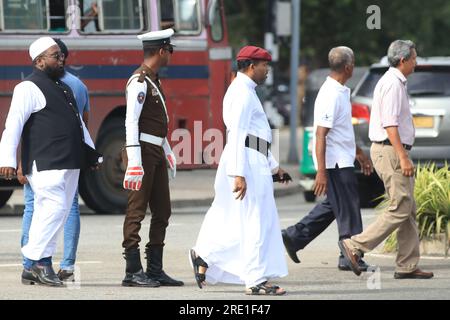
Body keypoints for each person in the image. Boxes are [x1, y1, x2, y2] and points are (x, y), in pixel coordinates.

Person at [190, 46, 289, 296]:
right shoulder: (243, 93)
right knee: (257, 221)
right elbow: (238, 135)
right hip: (245, 163)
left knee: (234, 219)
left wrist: (274, 166)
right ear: (252, 66)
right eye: (265, 65)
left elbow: (255, 137)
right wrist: (239, 174)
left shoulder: (245, 90)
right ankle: (255, 280)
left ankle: (205, 255)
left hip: (251, 160)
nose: (268, 70)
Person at [0, 37, 95, 286]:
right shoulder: (27, 88)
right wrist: (7, 159)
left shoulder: (64, 87)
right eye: (55, 55)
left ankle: (40, 265)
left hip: (70, 160)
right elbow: (13, 126)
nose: (61, 58)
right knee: (52, 209)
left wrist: (92, 153)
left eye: (61, 55)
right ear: (39, 61)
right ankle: (33, 259)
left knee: (58, 212)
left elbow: (79, 124)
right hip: (45, 161)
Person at [339, 40, 434, 279]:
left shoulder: (396, 82)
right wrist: (403, 157)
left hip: (392, 149)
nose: (416, 62)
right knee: (400, 207)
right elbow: (390, 124)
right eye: (414, 58)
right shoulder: (392, 84)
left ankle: (407, 265)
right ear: (403, 61)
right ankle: (355, 245)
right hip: (390, 150)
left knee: (408, 208)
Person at [281, 47, 372, 272]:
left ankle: (295, 236)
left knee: (335, 205)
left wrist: (359, 153)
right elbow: (321, 134)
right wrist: (321, 171)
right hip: (335, 162)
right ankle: (351, 254)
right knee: (348, 206)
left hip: (342, 158)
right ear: (348, 67)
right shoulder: (330, 94)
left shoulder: (340, 90)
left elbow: (342, 130)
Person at [121, 28, 183, 287]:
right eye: (169, 50)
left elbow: (156, 122)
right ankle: (133, 270)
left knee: (162, 210)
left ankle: (155, 269)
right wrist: (135, 162)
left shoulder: (153, 80)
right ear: (161, 51)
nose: (170, 55)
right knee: (136, 210)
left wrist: (167, 150)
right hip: (143, 153)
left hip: (155, 150)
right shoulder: (139, 81)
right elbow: (131, 121)